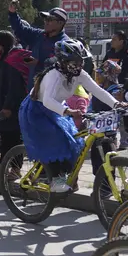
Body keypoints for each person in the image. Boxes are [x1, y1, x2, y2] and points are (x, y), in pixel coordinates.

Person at [19, 39, 127, 193]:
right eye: (74, 61)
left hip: (58, 110)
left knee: (75, 142)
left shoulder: (79, 74)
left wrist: (117, 104)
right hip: (37, 111)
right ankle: (55, 180)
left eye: (80, 61)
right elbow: (48, 101)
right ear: (63, 60)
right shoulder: (53, 75)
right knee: (55, 140)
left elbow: (98, 91)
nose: (79, 65)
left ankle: (68, 177)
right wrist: (68, 111)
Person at [0, 31, 30, 181]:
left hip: (10, 109)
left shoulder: (13, 61)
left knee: (14, 140)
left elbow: (14, 88)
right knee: (4, 141)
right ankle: (3, 169)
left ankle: (16, 170)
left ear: (3, 43)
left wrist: (8, 107)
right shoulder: (0, 59)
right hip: (0, 106)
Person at [9, 1, 69, 85]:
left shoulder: (65, 43)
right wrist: (13, 14)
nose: (46, 22)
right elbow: (20, 30)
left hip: (52, 93)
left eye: (50, 19)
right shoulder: (39, 35)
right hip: (33, 90)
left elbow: (61, 65)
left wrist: (39, 61)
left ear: (60, 23)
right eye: (45, 19)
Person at [90, 60, 123, 174]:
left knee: (108, 159)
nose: (97, 76)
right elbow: (90, 106)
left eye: (100, 74)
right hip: (96, 130)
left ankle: (107, 188)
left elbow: (119, 109)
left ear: (107, 75)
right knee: (96, 159)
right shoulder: (98, 89)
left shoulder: (117, 91)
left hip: (109, 133)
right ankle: (98, 186)